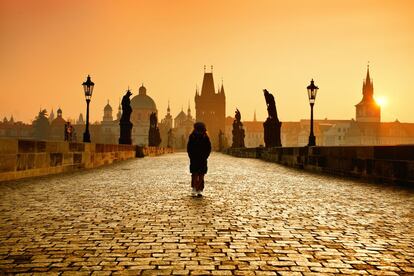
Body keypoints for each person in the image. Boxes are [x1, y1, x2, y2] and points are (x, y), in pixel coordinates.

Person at [187, 122, 211, 197]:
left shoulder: (194, 136)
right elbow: (209, 148)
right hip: (199, 158)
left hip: (197, 158)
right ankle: (198, 189)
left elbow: (189, 147)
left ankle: (196, 188)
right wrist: (205, 156)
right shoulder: (204, 136)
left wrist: (191, 155)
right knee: (199, 174)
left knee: (196, 174)